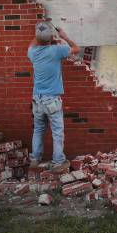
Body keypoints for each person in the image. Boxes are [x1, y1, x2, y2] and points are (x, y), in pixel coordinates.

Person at [27, 21, 80, 172]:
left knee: (38, 130)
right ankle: (58, 162)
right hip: (52, 100)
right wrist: (63, 36)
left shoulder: (33, 52)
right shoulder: (57, 50)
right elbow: (76, 49)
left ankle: (35, 160)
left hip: (37, 99)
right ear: (50, 38)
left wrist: (42, 34)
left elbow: (34, 43)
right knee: (57, 132)